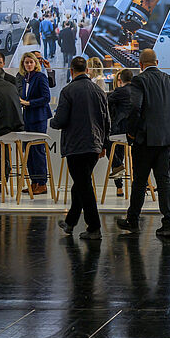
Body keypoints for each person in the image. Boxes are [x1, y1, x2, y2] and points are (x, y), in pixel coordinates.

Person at [116, 49, 170, 238]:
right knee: (164, 181)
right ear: (157, 62)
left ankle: (133, 221)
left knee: (140, 181)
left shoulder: (139, 80)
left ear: (140, 65)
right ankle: (168, 223)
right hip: (165, 140)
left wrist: (131, 133)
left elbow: (135, 108)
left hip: (145, 140)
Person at [52, 56, 111, 240]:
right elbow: (107, 120)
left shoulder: (68, 91)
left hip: (76, 145)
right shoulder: (98, 91)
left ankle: (94, 227)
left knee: (83, 186)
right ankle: (70, 223)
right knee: (80, 184)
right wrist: (104, 144)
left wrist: (53, 121)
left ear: (71, 71)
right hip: (94, 145)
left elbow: (61, 120)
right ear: (86, 70)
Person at [19, 52, 52, 196]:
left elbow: (46, 98)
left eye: (31, 62)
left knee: (38, 151)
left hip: (39, 118)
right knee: (29, 151)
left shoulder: (40, 77)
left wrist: (29, 103)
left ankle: (42, 184)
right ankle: (34, 183)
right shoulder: (24, 78)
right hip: (27, 118)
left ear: (35, 63)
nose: (28, 65)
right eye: (26, 62)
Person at [107, 68, 134, 197]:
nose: (119, 82)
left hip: (120, 129)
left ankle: (119, 173)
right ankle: (120, 184)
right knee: (118, 152)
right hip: (132, 130)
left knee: (110, 145)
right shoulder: (136, 90)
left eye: (120, 80)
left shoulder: (117, 93)